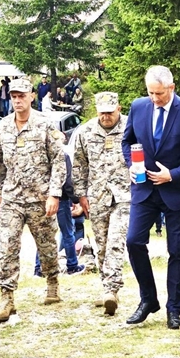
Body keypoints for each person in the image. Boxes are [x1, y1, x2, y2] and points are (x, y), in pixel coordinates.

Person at [122, 66, 180, 330]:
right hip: (144, 189)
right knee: (134, 241)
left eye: (159, 94)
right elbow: (127, 142)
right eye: (150, 93)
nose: (154, 98)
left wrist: (172, 174)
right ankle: (148, 300)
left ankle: (174, 309)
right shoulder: (138, 107)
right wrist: (131, 164)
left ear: (171, 88)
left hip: (178, 192)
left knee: (177, 250)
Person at [0, 77, 66, 323]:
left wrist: (54, 193)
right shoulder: (3, 126)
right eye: (14, 96)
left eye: (22, 96)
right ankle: (7, 298)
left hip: (40, 198)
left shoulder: (45, 124)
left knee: (47, 246)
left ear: (31, 97)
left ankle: (52, 283)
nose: (17, 100)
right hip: (12, 198)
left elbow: (58, 161)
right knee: (7, 246)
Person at [73, 92, 130, 316]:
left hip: (125, 195)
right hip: (97, 197)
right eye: (102, 113)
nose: (106, 117)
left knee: (116, 240)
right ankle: (107, 289)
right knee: (102, 245)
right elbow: (79, 165)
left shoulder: (131, 127)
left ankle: (111, 289)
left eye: (110, 112)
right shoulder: (86, 131)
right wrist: (81, 195)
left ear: (119, 109)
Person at [34, 153, 85, 278]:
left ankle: (39, 268)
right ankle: (72, 265)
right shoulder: (62, 155)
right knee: (67, 232)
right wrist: (75, 199)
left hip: (42, 199)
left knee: (43, 234)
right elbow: (67, 181)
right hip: (61, 199)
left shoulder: (38, 154)